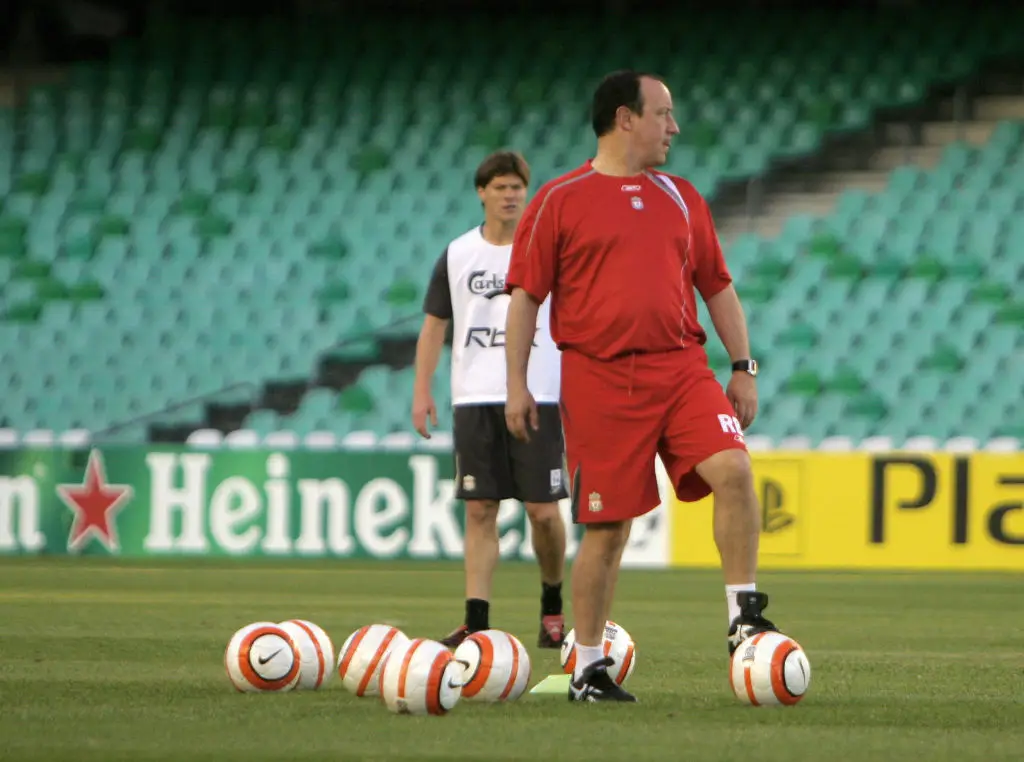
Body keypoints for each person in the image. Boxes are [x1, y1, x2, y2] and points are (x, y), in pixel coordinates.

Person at [503, 70, 784, 702]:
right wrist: (516, 385)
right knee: (609, 530)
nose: (674, 127)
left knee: (734, 471)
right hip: (600, 380)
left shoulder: (682, 197)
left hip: (681, 367)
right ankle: (588, 668)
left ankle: (743, 617)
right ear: (624, 119)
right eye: (664, 113)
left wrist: (743, 366)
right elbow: (525, 299)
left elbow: (717, 284)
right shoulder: (559, 198)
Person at [412, 150, 569, 650]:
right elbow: (435, 324)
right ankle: (476, 621)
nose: (510, 195)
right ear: (482, 193)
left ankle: (552, 604)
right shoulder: (458, 254)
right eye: (500, 187)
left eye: (517, 187)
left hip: (538, 393)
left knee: (543, 512)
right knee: (480, 508)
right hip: (474, 398)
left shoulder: (548, 249)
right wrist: (422, 390)